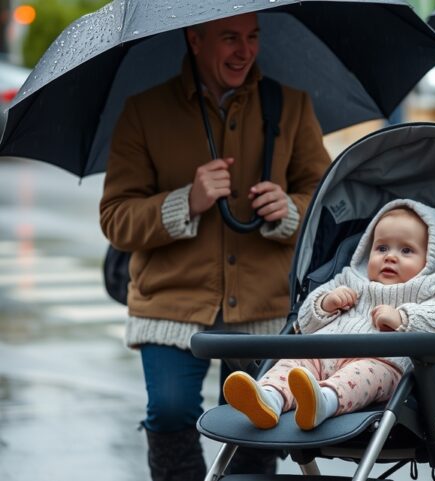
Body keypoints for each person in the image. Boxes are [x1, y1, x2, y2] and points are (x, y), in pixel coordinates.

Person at [99, 13, 331, 480]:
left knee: (257, 423)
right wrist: (187, 201)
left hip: (266, 302)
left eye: (252, 37)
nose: (245, 51)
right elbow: (115, 218)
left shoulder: (290, 105)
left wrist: (290, 209)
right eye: (230, 38)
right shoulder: (144, 111)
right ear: (195, 39)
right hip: (170, 303)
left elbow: (329, 201)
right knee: (169, 411)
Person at [222, 199, 435, 430]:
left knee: (361, 376)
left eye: (406, 250)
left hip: (380, 361)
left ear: (431, 258)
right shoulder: (349, 278)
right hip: (321, 351)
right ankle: (269, 398)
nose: (390, 256)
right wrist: (326, 303)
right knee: (291, 365)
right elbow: (305, 322)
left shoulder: (431, 286)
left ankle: (325, 401)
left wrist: (403, 319)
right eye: (382, 248)